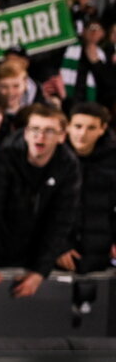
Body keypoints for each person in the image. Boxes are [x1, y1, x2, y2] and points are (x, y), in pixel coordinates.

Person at [0, 104, 81, 297]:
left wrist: (39, 272)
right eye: (34, 129)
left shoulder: (68, 166)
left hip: (33, 249)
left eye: (49, 131)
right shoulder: (4, 157)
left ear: (62, 136)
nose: (40, 136)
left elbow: (60, 221)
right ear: (26, 132)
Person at [58, 102, 116, 273]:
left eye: (91, 128)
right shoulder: (53, 157)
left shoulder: (112, 161)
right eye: (78, 126)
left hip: (102, 256)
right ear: (68, 126)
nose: (82, 134)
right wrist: (57, 246)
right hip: (57, 256)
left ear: (103, 128)